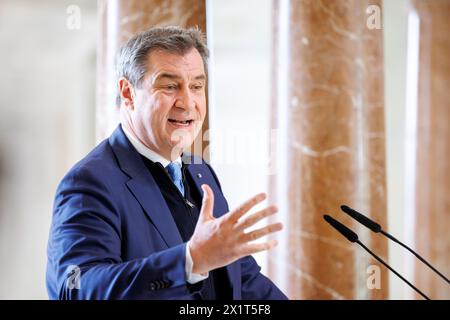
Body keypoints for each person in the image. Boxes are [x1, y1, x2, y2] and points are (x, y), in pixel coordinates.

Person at [46, 26, 287, 300]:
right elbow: (76, 288)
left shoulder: (200, 172)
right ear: (127, 93)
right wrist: (190, 261)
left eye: (197, 86)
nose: (187, 102)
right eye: (170, 86)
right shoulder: (89, 182)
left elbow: (241, 279)